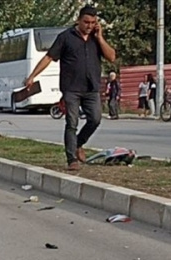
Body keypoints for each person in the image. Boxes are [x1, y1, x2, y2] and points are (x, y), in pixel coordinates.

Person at [25, 4, 116, 171]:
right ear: (78, 20)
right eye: (86, 22)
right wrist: (32, 76)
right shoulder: (65, 37)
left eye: (93, 23)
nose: (89, 26)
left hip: (91, 87)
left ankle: (78, 143)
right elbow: (48, 57)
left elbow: (111, 57)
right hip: (71, 88)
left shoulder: (96, 38)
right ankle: (71, 159)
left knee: (95, 119)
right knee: (72, 123)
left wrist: (100, 37)